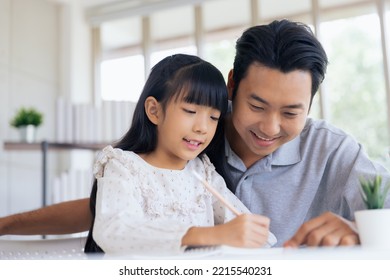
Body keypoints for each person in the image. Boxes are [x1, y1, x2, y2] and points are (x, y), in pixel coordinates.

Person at [0, 19, 388, 247]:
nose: (270, 128)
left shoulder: (333, 150)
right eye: (256, 106)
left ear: (311, 104)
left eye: (291, 112)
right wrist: (7, 225)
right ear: (232, 83)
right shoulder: (195, 136)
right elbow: (119, 206)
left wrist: (361, 227)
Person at [84, 54, 276, 254]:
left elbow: (244, 227)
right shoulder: (124, 166)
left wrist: (258, 236)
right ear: (154, 111)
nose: (203, 128)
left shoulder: (203, 172)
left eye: (213, 117)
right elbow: (115, 231)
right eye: (190, 111)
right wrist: (207, 235)